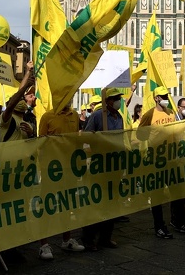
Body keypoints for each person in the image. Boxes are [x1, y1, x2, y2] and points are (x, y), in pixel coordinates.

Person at [138, 86, 185, 237]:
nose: (165, 98)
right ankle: (159, 226)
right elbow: (140, 134)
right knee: (157, 196)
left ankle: (178, 222)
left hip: (171, 159)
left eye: (167, 95)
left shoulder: (171, 112)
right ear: (156, 98)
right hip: (156, 161)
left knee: (177, 193)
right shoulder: (149, 115)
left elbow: (176, 131)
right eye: (163, 96)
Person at [37, 105, 85, 259]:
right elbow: (41, 143)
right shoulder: (47, 116)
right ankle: (44, 245)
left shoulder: (75, 115)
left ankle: (66, 240)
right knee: (48, 205)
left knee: (67, 203)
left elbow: (77, 141)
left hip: (69, 168)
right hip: (51, 170)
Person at [82, 88, 125, 250]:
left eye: (119, 98)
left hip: (114, 166)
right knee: (96, 203)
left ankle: (106, 237)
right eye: (115, 98)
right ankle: (88, 238)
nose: (118, 101)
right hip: (99, 166)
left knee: (112, 203)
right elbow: (86, 136)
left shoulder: (119, 117)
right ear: (107, 101)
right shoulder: (98, 116)